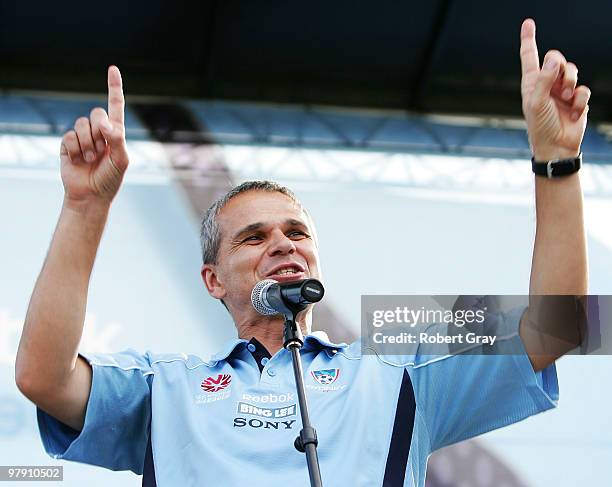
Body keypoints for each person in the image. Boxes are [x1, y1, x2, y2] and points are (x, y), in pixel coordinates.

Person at [15, 18, 589, 486]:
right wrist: (85, 209)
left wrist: (556, 161)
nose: (283, 244)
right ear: (213, 280)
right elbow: (44, 377)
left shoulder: (398, 362)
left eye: (297, 232)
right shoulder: (164, 385)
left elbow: (557, 328)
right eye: (253, 237)